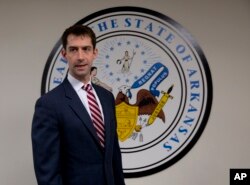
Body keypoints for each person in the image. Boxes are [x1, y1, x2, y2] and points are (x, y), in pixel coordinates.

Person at [31, 25, 125, 185]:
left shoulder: (107, 97)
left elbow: (114, 155)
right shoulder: (48, 105)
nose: (80, 57)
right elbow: (47, 173)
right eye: (73, 49)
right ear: (64, 54)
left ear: (95, 53)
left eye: (86, 49)